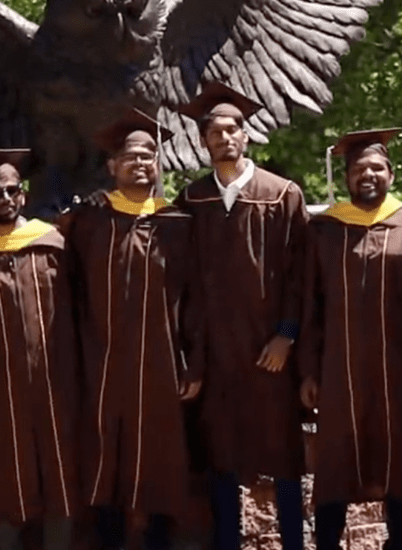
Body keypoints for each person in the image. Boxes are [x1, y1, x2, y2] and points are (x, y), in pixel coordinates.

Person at [64, 108, 206, 550]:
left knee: (161, 454)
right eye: (130, 157)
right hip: (101, 362)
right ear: (111, 166)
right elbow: (68, 295)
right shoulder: (89, 223)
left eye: (148, 155)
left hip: (162, 364)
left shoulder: (178, 224)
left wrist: (195, 362)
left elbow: (196, 301)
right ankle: (107, 538)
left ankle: (159, 540)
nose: (140, 163)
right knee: (105, 455)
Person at [174, 82, 307, 550]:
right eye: (215, 133)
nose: (225, 139)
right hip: (217, 357)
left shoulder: (282, 194)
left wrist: (287, 335)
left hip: (269, 353)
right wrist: (194, 357)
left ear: (246, 136)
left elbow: (300, 276)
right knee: (222, 461)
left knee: (284, 459)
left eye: (233, 130)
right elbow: (182, 285)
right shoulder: (191, 201)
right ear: (204, 142)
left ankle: (294, 543)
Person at [0, 149, 79, 550]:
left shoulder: (53, 244)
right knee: (3, 471)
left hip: (53, 385)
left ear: (23, 196)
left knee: (59, 470)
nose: (4, 198)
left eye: (12, 190)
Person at [298, 128, 402, 550]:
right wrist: (309, 368)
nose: (366, 174)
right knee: (336, 463)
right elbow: (309, 306)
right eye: (357, 169)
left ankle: (399, 542)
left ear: (391, 173)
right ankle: (327, 544)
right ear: (347, 178)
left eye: (375, 167)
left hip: (400, 370)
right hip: (339, 369)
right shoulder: (326, 230)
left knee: (400, 462)